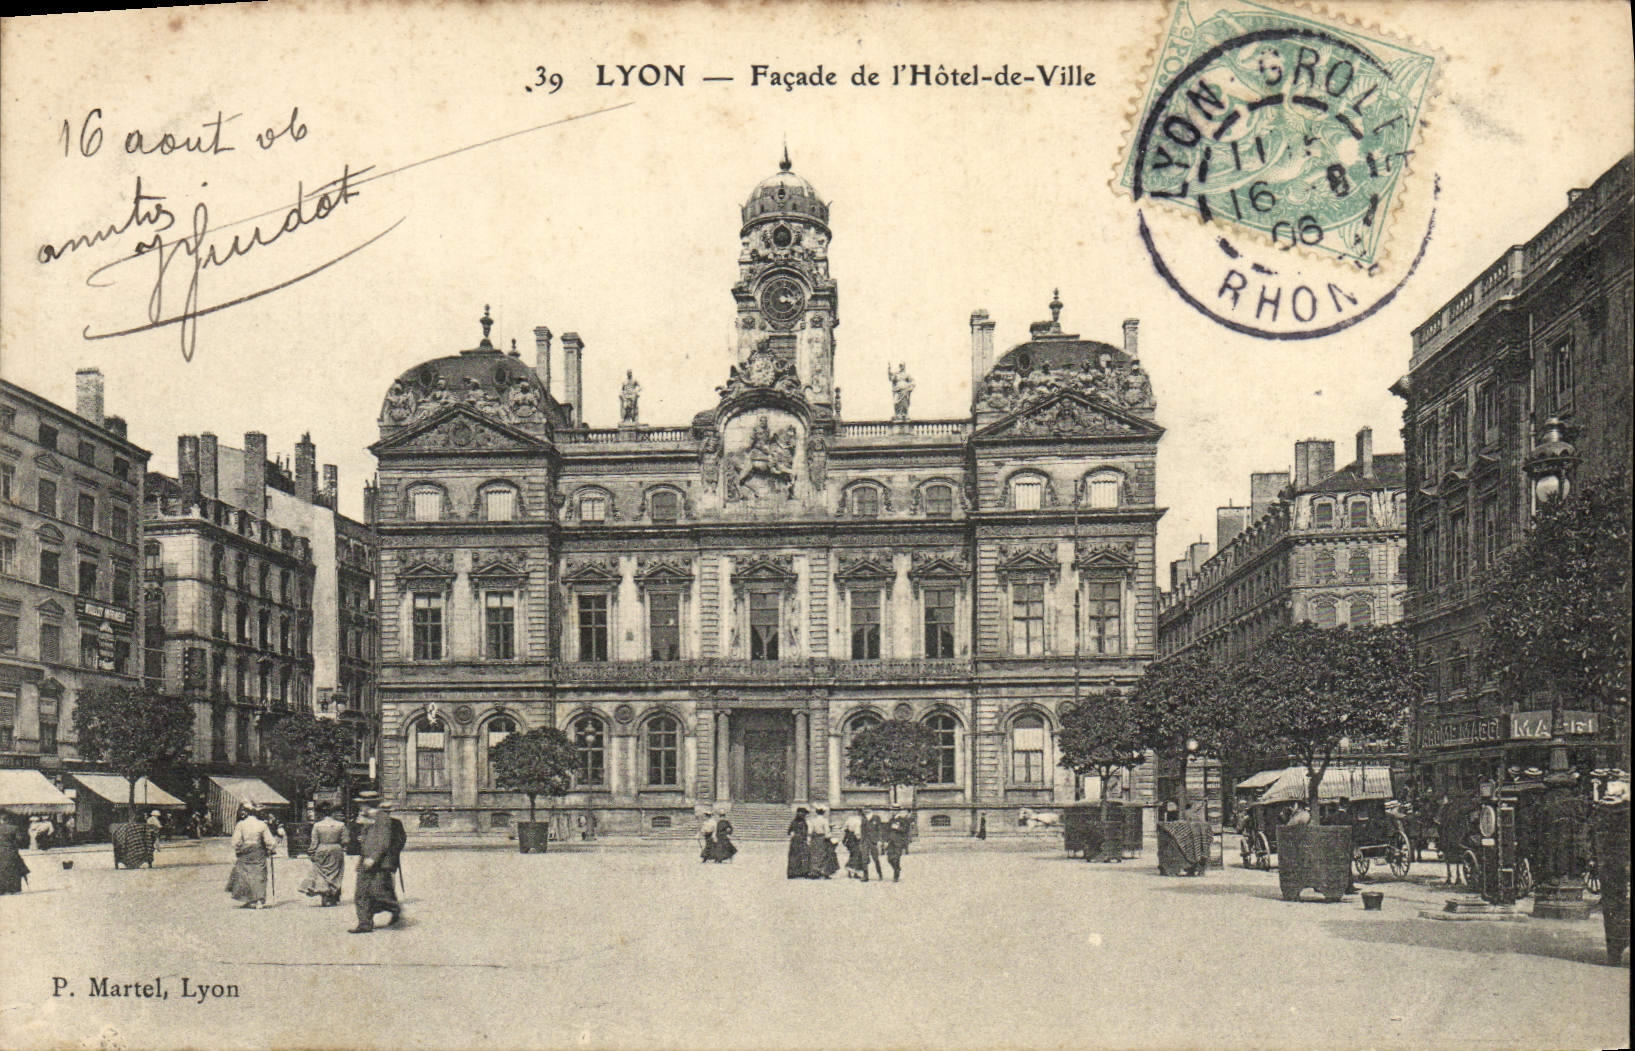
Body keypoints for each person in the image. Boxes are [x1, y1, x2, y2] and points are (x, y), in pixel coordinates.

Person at [351, 799, 406, 933]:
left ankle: (394, 907)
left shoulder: (382, 818)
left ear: (367, 805)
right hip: (367, 860)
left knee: (377, 892)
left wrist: (373, 858)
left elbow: (383, 841)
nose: (360, 807)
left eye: (362, 804)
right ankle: (365, 924)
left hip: (377, 862)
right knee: (361, 892)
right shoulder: (368, 818)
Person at [226, 805, 278, 909]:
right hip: (258, 851)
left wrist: (238, 848)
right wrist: (270, 848)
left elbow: (235, 841)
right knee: (259, 875)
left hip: (245, 851)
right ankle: (259, 900)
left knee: (245, 875)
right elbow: (270, 841)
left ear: (247, 813)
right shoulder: (262, 825)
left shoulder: (241, 824)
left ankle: (249, 899)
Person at [299, 804, 347, 907]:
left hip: (322, 849)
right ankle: (333, 894)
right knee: (335, 872)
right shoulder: (341, 825)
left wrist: (311, 852)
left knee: (321, 873)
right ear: (333, 813)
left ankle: (325, 895)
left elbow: (314, 842)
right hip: (336, 849)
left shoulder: (317, 825)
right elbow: (345, 840)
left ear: (322, 814)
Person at [0, 811, 29, 895]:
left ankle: (2, 889)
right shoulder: (14, 828)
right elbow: (20, 840)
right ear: (8, 819)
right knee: (13, 870)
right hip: (11, 852)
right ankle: (14, 889)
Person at [807, 804, 838, 879]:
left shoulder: (812, 820)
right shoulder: (825, 820)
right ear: (823, 812)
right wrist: (829, 837)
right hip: (822, 838)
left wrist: (809, 839)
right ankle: (823, 871)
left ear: (816, 812)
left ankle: (815, 871)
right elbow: (827, 831)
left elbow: (810, 831)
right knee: (823, 855)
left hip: (815, 839)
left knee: (815, 854)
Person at [884, 806, 912, 882]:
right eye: (892, 810)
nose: (893, 812)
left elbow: (906, 830)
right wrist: (886, 841)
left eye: (894, 810)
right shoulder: (891, 820)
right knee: (889, 859)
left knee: (896, 858)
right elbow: (887, 831)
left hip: (898, 842)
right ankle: (897, 868)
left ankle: (896, 876)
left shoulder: (903, 820)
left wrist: (897, 828)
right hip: (890, 842)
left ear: (898, 811)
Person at [786, 807, 810, 880]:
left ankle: (792, 873)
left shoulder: (793, 822)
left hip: (795, 841)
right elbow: (806, 832)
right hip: (801, 840)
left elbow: (789, 832)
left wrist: (794, 834)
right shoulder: (804, 822)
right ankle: (802, 872)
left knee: (794, 856)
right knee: (803, 856)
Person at [842, 812, 868, 880]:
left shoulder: (850, 819)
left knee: (852, 853)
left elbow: (844, 828)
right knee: (857, 854)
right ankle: (852, 869)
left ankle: (851, 872)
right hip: (855, 839)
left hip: (849, 838)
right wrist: (860, 839)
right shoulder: (859, 821)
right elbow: (857, 832)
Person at [863, 809, 885, 881]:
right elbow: (861, 830)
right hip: (865, 841)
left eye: (867, 810)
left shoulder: (876, 818)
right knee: (864, 858)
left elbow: (880, 829)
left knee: (875, 858)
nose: (865, 812)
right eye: (864, 811)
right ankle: (865, 876)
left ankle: (880, 874)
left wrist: (880, 840)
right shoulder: (864, 818)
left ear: (871, 811)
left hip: (873, 841)